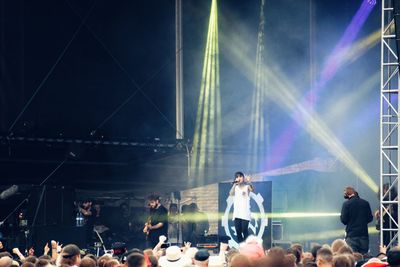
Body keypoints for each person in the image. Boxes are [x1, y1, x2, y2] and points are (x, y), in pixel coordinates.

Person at [340, 186, 373, 254]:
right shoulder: (365, 203)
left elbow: (344, 221)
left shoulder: (346, 204)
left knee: (353, 258)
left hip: (351, 236)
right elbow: (370, 219)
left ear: (347, 194)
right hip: (364, 235)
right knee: (364, 258)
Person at [229, 171, 254, 243]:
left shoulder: (246, 187)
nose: (238, 178)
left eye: (240, 176)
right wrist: (234, 184)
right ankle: (241, 247)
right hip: (237, 213)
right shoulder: (236, 187)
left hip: (245, 213)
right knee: (238, 231)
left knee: (244, 230)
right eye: (237, 177)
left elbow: (252, 189)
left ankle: (248, 247)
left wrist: (249, 181)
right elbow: (230, 193)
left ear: (243, 178)